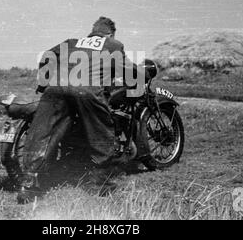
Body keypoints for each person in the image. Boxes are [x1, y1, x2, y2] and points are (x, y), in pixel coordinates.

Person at [16, 17, 155, 203]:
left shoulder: (72, 42)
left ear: (92, 31)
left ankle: (29, 185)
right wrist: (144, 74)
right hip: (87, 91)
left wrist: (43, 84)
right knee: (103, 133)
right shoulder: (113, 44)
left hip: (56, 88)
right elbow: (130, 72)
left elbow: (46, 58)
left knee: (42, 134)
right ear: (110, 33)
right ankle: (97, 183)